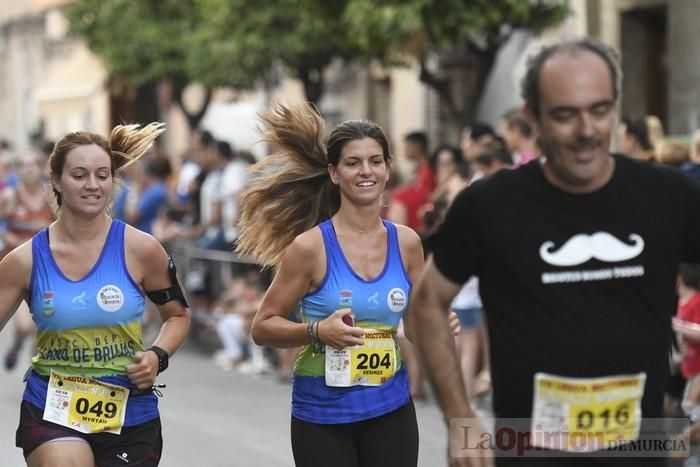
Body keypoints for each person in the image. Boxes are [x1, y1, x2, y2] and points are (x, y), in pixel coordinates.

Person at [410, 38, 700, 467]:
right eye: (565, 115)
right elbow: (428, 303)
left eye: (599, 111)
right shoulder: (491, 205)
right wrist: (460, 418)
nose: (586, 131)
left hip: (640, 447)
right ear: (533, 116)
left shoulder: (669, 195)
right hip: (527, 449)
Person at [236, 102, 425, 467]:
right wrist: (318, 331)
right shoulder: (310, 248)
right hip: (322, 415)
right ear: (334, 173)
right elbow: (263, 326)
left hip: (391, 407)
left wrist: (435, 326)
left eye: (375, 161)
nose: (365, 171)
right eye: (353, 163)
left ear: (388, 169)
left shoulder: (407, 243)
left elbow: (416, 325)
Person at [0, 123, 191, 466]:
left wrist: (157, 356)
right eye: (79, 174)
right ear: (56, 180)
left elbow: (177, 315)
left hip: (131, 414)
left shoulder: (142, 249)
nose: (92, 185)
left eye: (102, 175)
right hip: (52, 408)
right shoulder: (24, 261)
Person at [1, 151, 55, 370]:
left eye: (33, 165)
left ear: (41, 169)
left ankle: (37, 376)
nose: (28, 169)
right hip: (18, 268)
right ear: (18, 170)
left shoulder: (50, 197)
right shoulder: (10, 197)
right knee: (25, 326)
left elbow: (63, 224)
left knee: (44, 325)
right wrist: (8, 237)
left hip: (44, 266)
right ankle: (17, 343)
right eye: (24, 165)